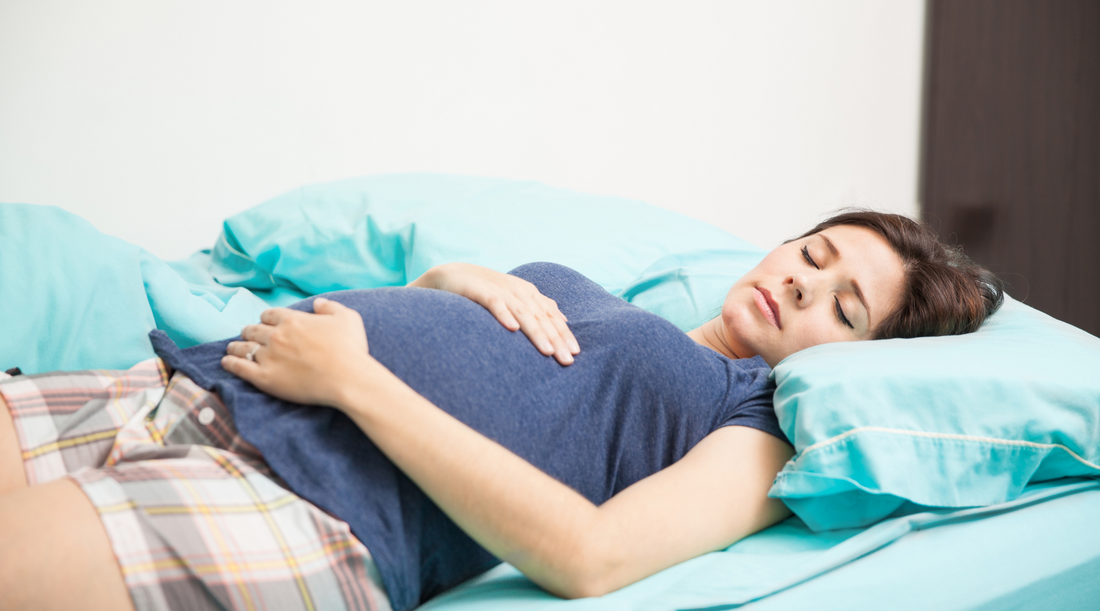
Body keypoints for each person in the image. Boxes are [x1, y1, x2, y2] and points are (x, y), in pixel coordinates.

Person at [0, 211, 1002, 611]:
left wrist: (354, 379)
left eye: (844, 307)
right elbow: (464, 337)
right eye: (811, 253)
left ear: (869, 360)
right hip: (199, 381)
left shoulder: (757, 419)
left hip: (301, 501)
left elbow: (589, 554)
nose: (799, 284)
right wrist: (453, 278)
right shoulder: (630, 305)